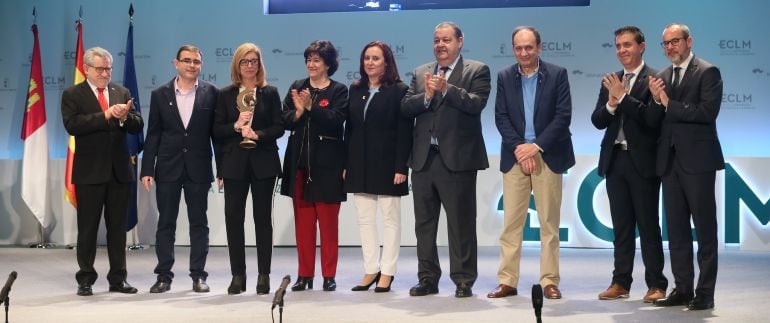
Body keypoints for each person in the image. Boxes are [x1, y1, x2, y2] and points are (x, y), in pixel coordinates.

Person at [401, 22, 491, 298]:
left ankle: (464, 280)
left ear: (460, 42)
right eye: (437, 40)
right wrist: (427, 95)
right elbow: (406, 107)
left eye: (447, 40)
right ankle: (427, 278)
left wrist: (447, 89)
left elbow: (476, 104)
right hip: (424, 160)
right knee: (424, 225)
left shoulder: (477, 70)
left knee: (461, 223)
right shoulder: (420, 73)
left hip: (458, 161)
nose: (441, 44)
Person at [489, 26, 574, 300]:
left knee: (549, 224)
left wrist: (535, 147)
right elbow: (501, 116)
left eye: (528, 47)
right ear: (513, 49)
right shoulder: (504, 76)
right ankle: (507, 281)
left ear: (539, 47)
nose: (523, 53)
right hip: (515, 155)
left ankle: (549, 281)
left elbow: (563, 117)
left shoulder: (558, 74)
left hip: (547, 154)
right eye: (518, 48)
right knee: (512, 224)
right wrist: (520, 149)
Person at [648, 23, 724, 311]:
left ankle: (705, 293)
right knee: (677, 231)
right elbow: (658, 119)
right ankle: (682, 289)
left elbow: (707, 112)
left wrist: (668, 101)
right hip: (670, 164)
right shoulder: (663, 75)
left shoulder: (708, 71)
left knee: (705, 231)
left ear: (689, 41)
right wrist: (657, 102)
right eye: (665, 43)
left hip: (699, 163)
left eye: (675, 41)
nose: (670, 47)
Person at [590, 26, 668, 302]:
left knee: (648, 226)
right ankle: (620, 282)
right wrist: (612, 104)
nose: (622, 50)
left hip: (643, 162)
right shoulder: (612, 80)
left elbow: (651, 119)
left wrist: (623, 98)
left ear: (642, 46)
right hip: (615, 161)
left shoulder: (656, 78)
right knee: (621, 227)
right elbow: (598, 120)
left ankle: (657, 284)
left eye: (627, 45)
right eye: (618, 46)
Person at [61, 46, 143, 296]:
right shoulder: (73, 94)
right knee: (88, 228)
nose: (106, 73)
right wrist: (106, 114)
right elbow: (73, 125)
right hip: (89, 172)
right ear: (87, 69)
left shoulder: (122, 91)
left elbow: (137, 124)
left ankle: (118, 279)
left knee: (117, 229)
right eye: (100, 68)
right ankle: (85, 279)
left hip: (119, 172)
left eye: (109, 68)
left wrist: (124, 117)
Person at [141, 45, 219, 294]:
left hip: (198, 167)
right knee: (166, 224)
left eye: (196, 61)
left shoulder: (212, 93)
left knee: (199, 223)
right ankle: (164, 276)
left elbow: (216, 135)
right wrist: (147, 168)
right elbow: (153, 133)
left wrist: (223, 168)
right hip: (167, 167)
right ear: (176, 63)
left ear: (201, 65)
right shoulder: (159, 93)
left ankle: (198, 275)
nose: (191, 65)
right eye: (187, 61)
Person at [213, 43, 284, 295]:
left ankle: (263, 275)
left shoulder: (271, 92)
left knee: (263, 220)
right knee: (233, 219)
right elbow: (217, 131)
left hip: (264, 162)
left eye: (254, 61)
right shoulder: (224, 94)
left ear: (259, 64)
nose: (250, 65)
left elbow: (279, 127)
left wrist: (259, 134)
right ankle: (237, 275)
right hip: (233, 164)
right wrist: (235, 126)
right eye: (245, 61)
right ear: (237, 65)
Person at [280, 40, 348, 292]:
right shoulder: (297, 87)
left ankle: (329, 275)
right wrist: (298, 112)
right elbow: (284, 119)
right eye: (308, 59)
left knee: (329, 227)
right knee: (304, 226)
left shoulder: (339, 90)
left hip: (328, 167)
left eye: (316, 60)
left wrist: (311, 108)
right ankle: (304, 275)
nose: (311, 64)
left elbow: (336, 120)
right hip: (300, 166)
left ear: (328, 64)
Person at [345, 41, 412, 293]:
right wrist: (346, 164)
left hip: (388, 165)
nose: (370, 62)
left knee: (390, 220)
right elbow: (349, 130)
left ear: (387, 62)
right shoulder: (356, 89)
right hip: (359, 163)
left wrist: (401, 167)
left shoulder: (399, 90)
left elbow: (405, 132)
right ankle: (371, 268)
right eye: (366, 58)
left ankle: (388, 271)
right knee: (364, 220)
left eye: (375, 58)